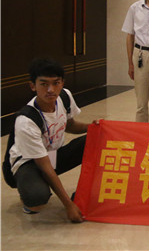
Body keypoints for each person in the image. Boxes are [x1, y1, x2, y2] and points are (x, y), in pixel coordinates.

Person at [7, 58, 98, 222]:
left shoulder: (64, 96)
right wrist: (68, 205)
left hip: (51, 156)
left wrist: (93, 127)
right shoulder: (26, 121)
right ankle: (29, 187)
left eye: (56, 83)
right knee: (37, 199)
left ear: (62, 83)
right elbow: (44, 165)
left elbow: (69, 125)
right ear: (33, 86)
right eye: (44, 84)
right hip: (28, 162)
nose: (51, 90)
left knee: (96, 140)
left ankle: (83, 192)